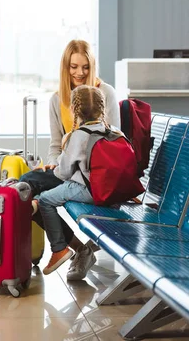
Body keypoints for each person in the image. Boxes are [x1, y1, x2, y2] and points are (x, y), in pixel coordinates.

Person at [20, 40, 119, 279]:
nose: (79, 73)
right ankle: (78, 249)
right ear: (65, 67)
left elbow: (114, 141)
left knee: (28, 187)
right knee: (25, 191)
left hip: (94, 176)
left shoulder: (104, 93)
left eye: (85, 67)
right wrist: (54, 161)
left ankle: (70, 249)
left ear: (92, 66)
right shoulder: (58, 100)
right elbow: (56, 146)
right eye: (73, 67)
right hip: (68, 169)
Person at [33, 85, 118, 276]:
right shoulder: (113, 131)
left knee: (44, 200)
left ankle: (59, 248)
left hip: (89, 190)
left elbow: (62, 173)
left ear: (73, 110)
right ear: (102, 108)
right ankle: (68, 248)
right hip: (112, 191)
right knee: (45, 196)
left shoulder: (79, 135)